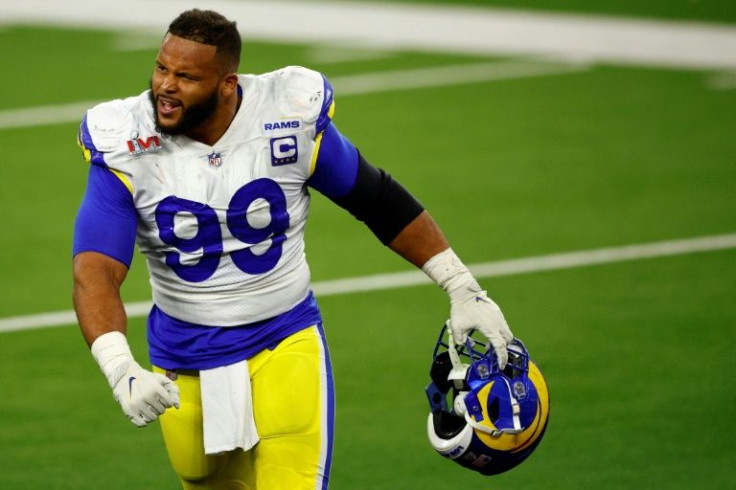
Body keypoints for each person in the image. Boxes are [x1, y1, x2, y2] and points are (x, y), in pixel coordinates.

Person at [72, 9, 513, 490]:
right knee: (204, 480)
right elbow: (95, 270)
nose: (165, 86)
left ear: (226, 84)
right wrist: (119, 367)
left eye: (185, 76)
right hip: (184, 354)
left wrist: (461, 285)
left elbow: (377, 199)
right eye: (161, 68)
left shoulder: (285, 118)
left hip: (282, 336)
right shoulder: (126, 142)